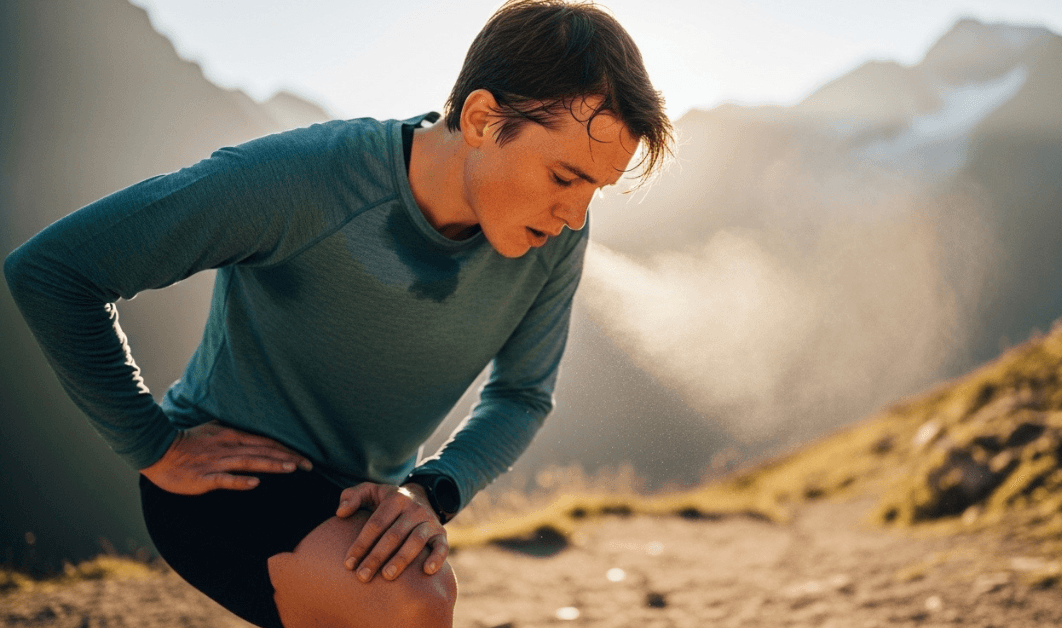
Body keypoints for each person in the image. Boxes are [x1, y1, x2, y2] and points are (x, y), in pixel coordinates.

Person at [3, 1, 672, 626]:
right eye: (564, 178)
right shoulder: (302, 180)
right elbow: (54, 270)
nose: (575, 216)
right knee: (417, 598)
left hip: (358, 497)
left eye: (596, 191)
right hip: (225, 482)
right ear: (481, 120)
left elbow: (523, 394)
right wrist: (152, 444)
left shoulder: (555, 239)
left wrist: (432, 491)